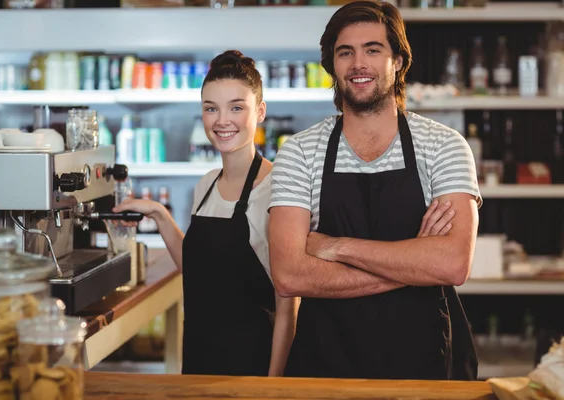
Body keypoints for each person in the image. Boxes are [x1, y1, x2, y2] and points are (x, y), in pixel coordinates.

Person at [268, 0, 482, 381]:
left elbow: (452, 264)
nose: (358, 64)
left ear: (397, 60)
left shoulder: (444, 146)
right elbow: (288, 275)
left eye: (373, 49)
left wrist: (336, 247)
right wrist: (415, 265)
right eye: (345, 52)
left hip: (428, 368)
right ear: (332, 65)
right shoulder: (299, 152)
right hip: (326, 367)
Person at [113, 50, 299, 376]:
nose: (222, 120)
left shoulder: (276, 190)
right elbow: (201, 271)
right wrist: (159, 215)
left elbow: (288, 306)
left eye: (236, 108)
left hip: (251, 365)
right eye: (211, 108)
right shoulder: (207, 184)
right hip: (200, 357)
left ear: (260, 112)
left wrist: (273, 388)